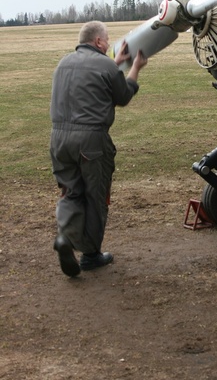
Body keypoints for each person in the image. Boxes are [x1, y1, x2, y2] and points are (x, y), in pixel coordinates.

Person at [50, 20, 147, 277]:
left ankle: (66, 239)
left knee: (71, 192)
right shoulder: (105, 64)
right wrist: (134, 68)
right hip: (91, 141)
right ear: (99, 42)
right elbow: (123, 96)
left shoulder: (63, 63)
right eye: (107, 39)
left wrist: (115, 63)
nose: (108, 43)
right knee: (95, 197)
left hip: (59, 140)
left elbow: (93, 77)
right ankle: (91, 255)